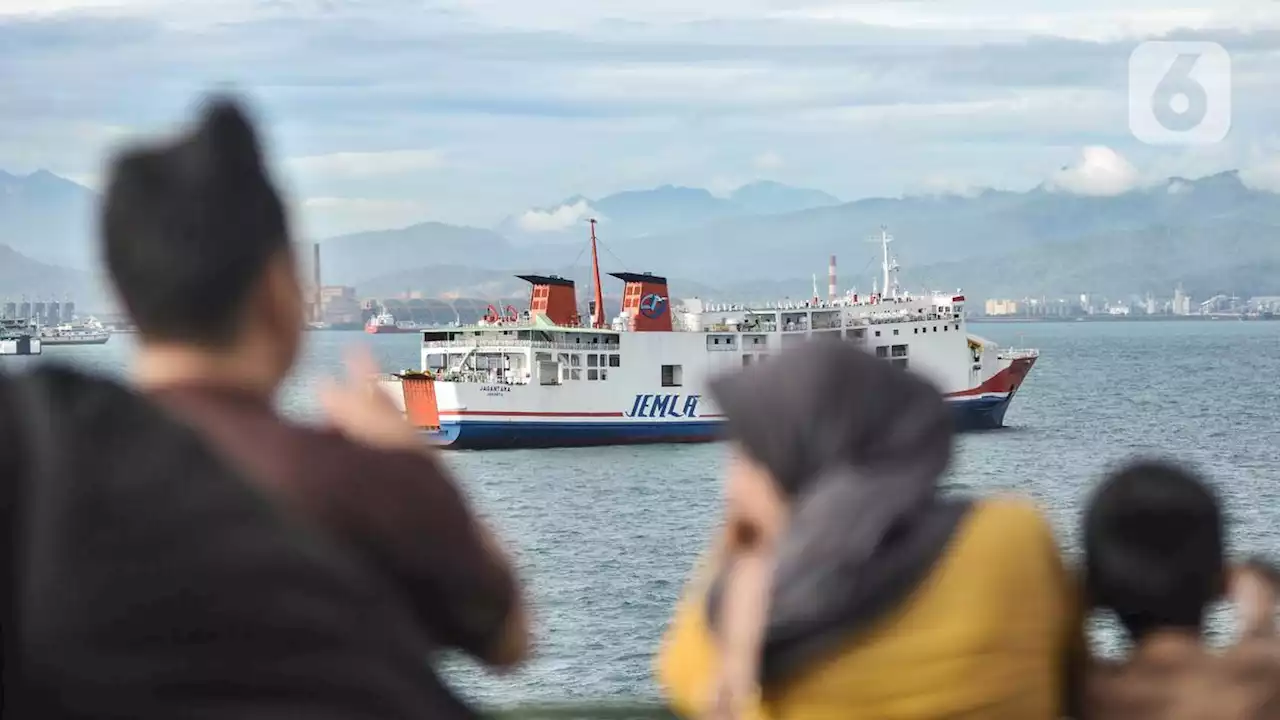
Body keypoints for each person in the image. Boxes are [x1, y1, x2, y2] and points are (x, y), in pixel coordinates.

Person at [93, 96, 527, 711]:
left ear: (124, 290)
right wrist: (415, 465)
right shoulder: (352, 480)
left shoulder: (44, 467)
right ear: (278, 289)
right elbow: (508, 638)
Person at [656, 338, 1080, 720]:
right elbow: (1070, 667)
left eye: (751, 452)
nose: (733, 478)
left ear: (795, 457)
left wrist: (744, 543)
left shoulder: (740, 608)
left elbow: (682, 677)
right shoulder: (1013, 538)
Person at [1082, 460, 1280, 720]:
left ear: (1095, 588)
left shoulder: (1083, 696)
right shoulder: (1262, 691)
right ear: (1220, 579)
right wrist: (1258, 619)